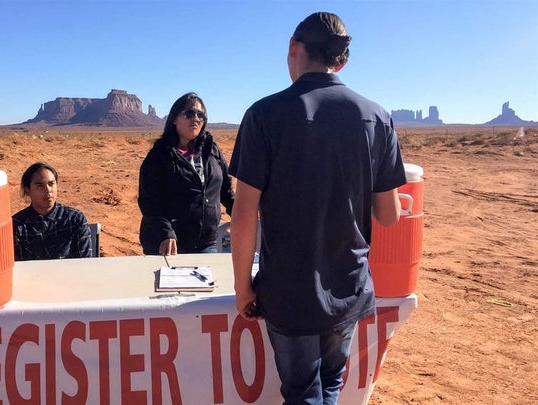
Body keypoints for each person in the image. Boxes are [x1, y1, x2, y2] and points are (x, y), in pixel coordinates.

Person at [228, 12, 407, 404]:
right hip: (349, 284)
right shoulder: (376, 117)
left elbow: (242, 220)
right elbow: (390, 215)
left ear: (294, 48)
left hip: (289, 291)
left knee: (303, 393)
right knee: (330, 384)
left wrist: (243, 289)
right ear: (341, 61)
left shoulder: (264, 114)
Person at [138, 92, 235, 255]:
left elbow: (225, 191)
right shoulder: (160, 155)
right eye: (189, 113)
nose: (196, 118)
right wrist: (166, 232)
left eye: (200, 115)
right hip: (168, 245)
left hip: (207, 242)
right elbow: (149, 202)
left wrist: (245, 215)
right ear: (174, 119)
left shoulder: (211, 150)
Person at [13, 162, 93, 260]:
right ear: (27, 190)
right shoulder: (17, 225)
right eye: (40, 186)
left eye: (51, 184)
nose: (48, 190)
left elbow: (85, 263)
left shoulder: (75, 220)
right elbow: (16, 267)